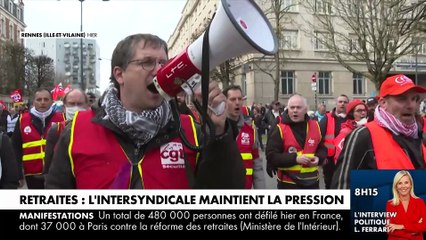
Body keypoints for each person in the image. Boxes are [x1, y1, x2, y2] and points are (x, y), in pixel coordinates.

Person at [46, 33, 245, 189]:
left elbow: (226, 192)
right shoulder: (76, 130)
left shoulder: (189, 130)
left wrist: (219, 133)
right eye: (147, 62)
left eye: (164, 63)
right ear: (119, 74)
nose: (160, 71)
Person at [332, 75, 426, 189]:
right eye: (402, 98)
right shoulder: (363, 136)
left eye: (415, 99)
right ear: (383, 103)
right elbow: (342, 191)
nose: (411, 105)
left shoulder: (419, 135)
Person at [266, 94, 326, 189]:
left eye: (298, 107)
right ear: (287, 109)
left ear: (306, 109)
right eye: (292, 107)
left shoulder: (316, 126)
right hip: (288, 184)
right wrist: (295, 159)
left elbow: (322, 149)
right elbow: (271, 156)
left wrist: (319, 158)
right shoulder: (280, 128)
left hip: (312, 183)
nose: (295, 110)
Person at [11, 88, 65, 189]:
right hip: (32, 174)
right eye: (39, 100)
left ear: (51, 102)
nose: (42, 102)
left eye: (46, 99)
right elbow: (15, 148)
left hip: (56, 173)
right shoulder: (23, 120)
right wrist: (18, 173)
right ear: (34, 102)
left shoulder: (62, 118)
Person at [223, 85, 265, 189]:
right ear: (224, 102)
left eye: (240, 99)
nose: (237, 102)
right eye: (232, 99)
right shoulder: (216, 128)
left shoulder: (250, 128)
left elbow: (257, 166)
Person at [44, 88, 90, 179]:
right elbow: (48, 161)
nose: (76, 107)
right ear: (65, 106)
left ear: (87, 106)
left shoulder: (96, 129)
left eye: (80, 104)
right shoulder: (56, 130)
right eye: (72, 104)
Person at [386, 170, 426, 240]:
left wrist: (402, 226)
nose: (403, 186)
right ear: (396, 186)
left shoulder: (420, 202)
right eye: (400, 183)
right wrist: (414, 231)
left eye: (406, 182)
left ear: (411, 185)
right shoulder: (390, 204)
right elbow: (389, 229)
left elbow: (424, 226)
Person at [320, 94, 349, 189]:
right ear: (336, 104)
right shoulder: (327, 118)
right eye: (340, 102)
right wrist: (322, 156)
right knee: (330, 183)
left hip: (346, 156)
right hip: (330, 158)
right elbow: (319, 137)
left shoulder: (351, 118)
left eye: (345, 102)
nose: (342, 104)